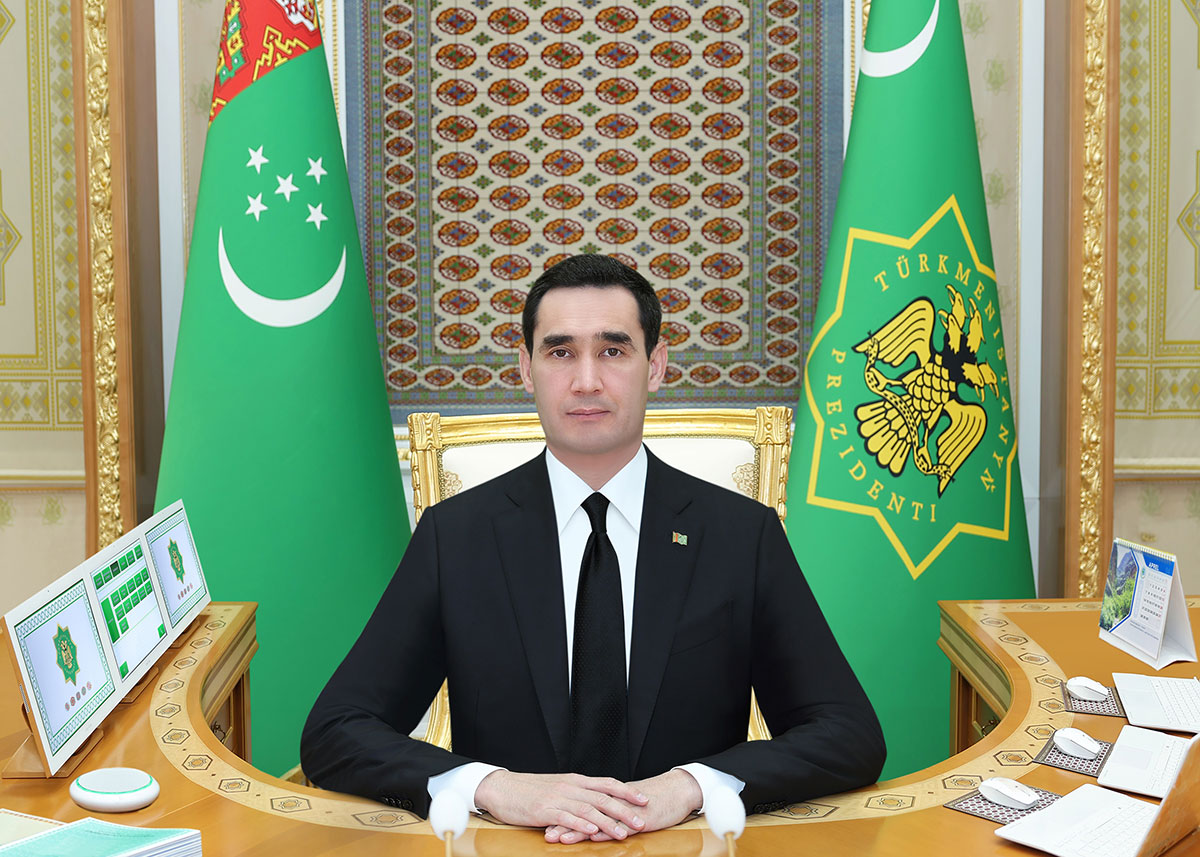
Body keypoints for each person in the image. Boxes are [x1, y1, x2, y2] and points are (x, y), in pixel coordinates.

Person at [301, 254, 885, 844]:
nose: (586, 381)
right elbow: (335, 732)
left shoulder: (740, 534)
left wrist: (694, 785)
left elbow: (848, 733)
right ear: (526, 369)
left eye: (612, 351)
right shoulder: (454, 537)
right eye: (560, 353)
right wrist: (491, 786)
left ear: (655, 366)